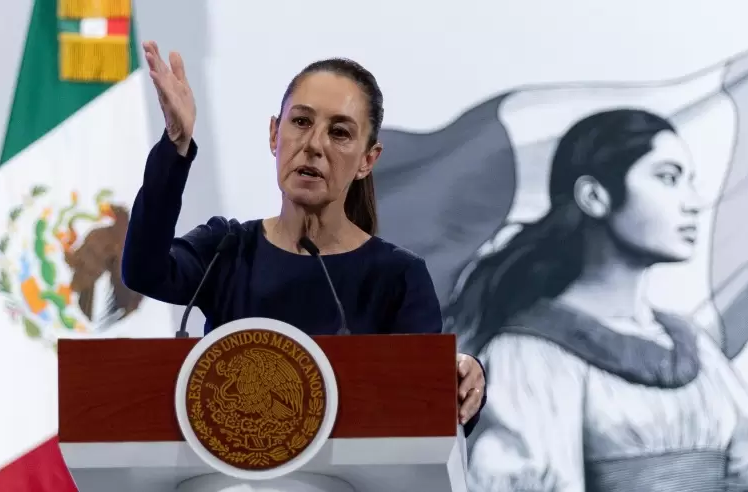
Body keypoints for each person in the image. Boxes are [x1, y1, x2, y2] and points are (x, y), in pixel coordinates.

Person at [121, 41, 486, 432]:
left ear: (367, 160)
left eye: (339, 132)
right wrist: (176, 144)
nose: (313, 145)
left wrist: (461, 379)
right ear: (274, 134)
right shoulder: (227, 248)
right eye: (300, 122)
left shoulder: (398, 277)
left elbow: (425, 414)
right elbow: (143, 271)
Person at [445, 109, 748, 491]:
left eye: (690, 181)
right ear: (594, 196)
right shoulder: (530, 354)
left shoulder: (693, 345)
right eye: (668, 178)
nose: (694, 202)